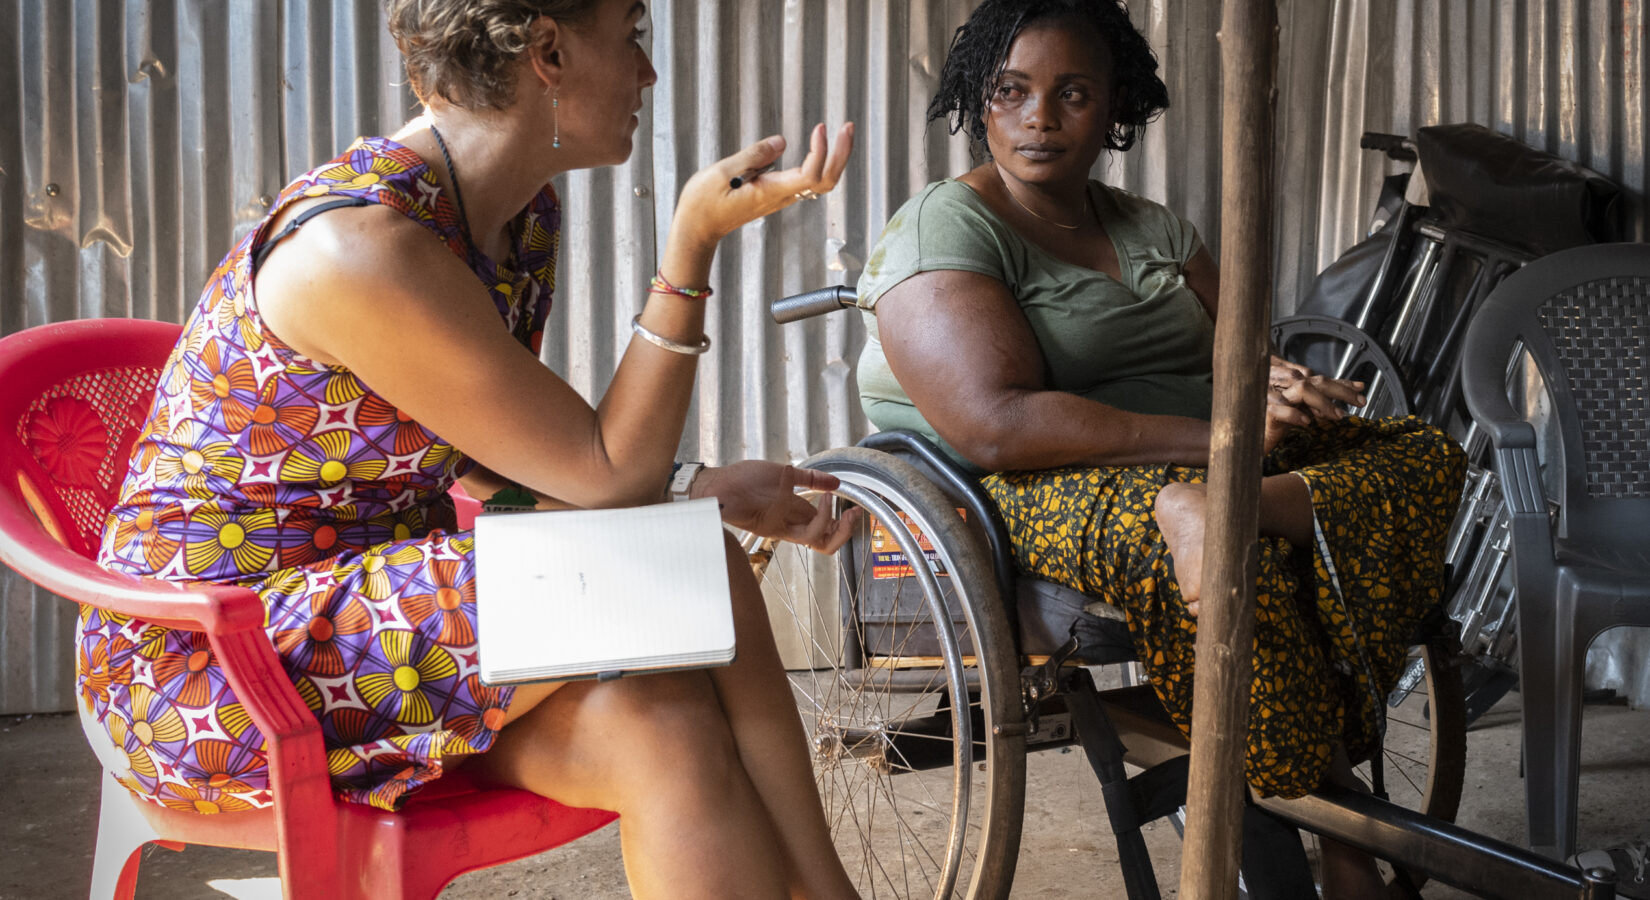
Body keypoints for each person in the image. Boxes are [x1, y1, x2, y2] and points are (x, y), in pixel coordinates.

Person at [83, 1, 862, 897]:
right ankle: (826, 891)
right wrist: (689, 247)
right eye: (633, 38)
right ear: (548, 52)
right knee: (704, 568)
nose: (648, 74)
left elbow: (497, 460)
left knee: (664, 726)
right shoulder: (359, 247)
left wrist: (702, 487)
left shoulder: (517, 220)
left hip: (376, 630)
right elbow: (604, 472)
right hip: (213, 663)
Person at [853, 0, 1465, 896]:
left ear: (1114, 108)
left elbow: (1238, 357)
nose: (1039, 117)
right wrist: (1220, 435)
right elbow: (995, 423)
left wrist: (1282, 386)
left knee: (1418, 452)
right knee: (1216, 553)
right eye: (1012, 92)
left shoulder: (1152, 228)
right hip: (1033, 478)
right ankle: (1340, 836)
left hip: (1202, 467)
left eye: (1072, 93)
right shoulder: (948, 225)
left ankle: (1238, 511)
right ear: (979, 104)